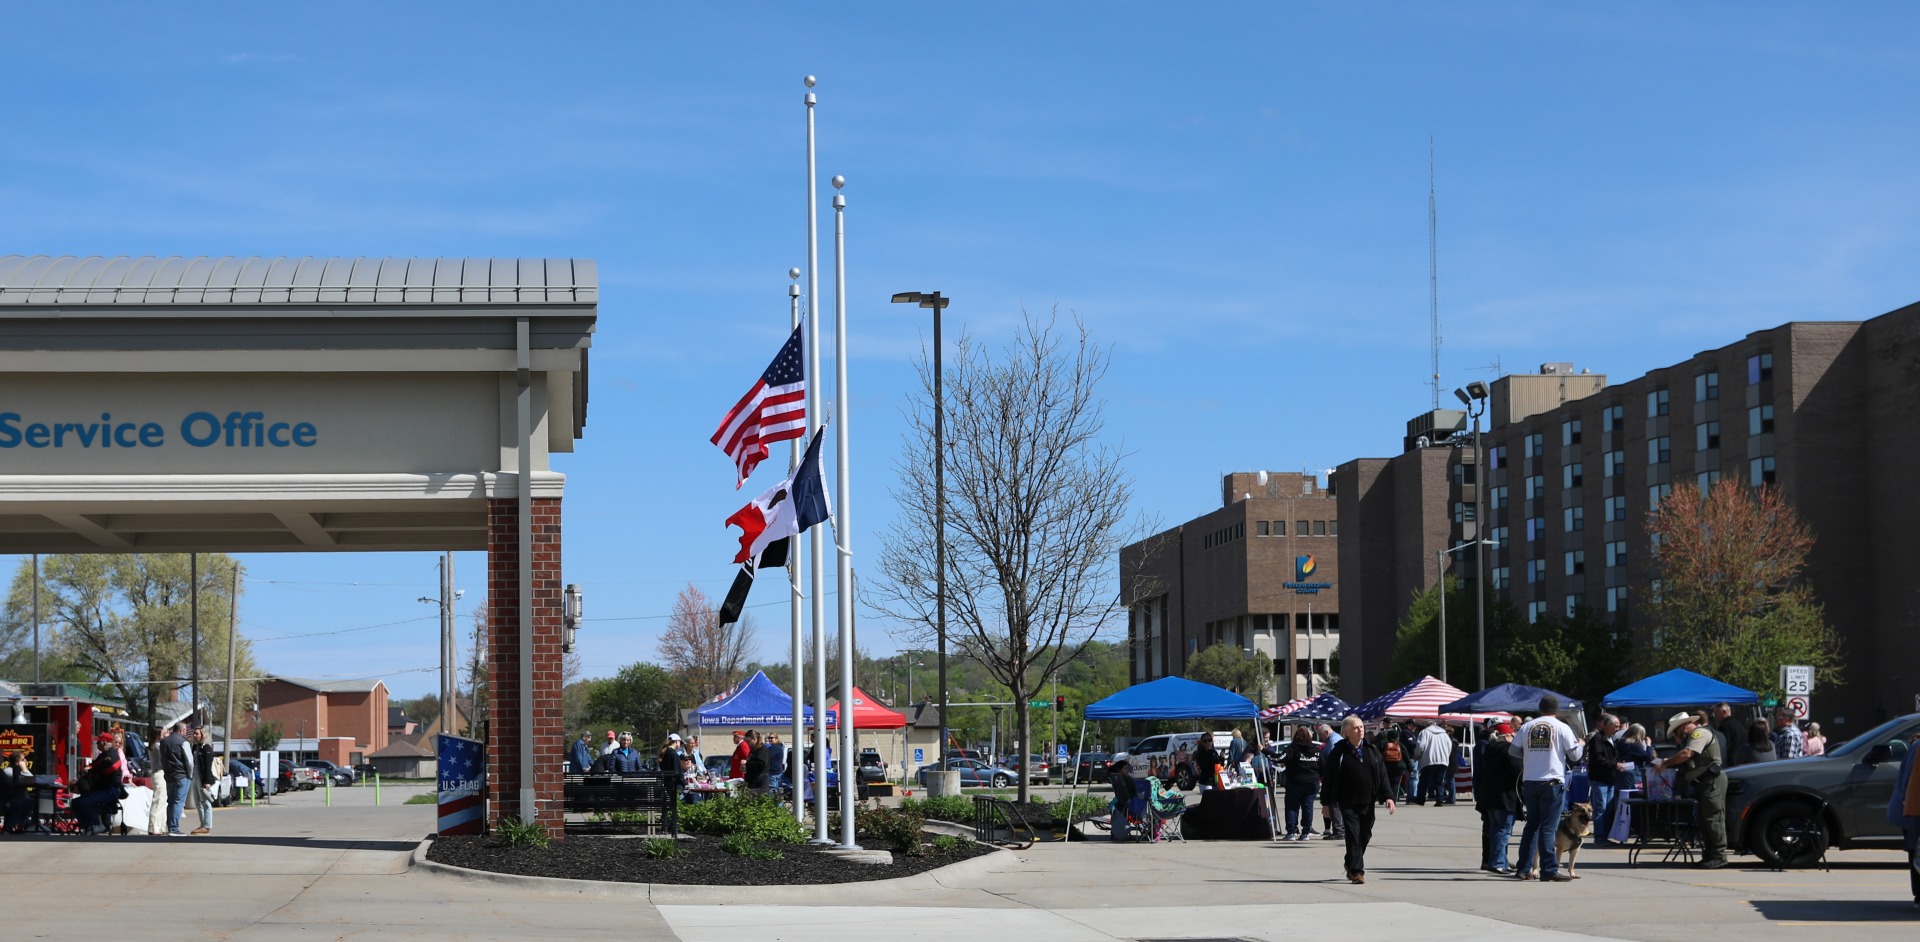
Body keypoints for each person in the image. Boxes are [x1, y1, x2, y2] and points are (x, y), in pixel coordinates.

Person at [1511, 694, 1583, 881]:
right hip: (1552, 781)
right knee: (1548, 827)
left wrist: (1531, 757)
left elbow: (1513, 750)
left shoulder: (1527, 726)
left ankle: (1523, 868)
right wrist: (1581, 745)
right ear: (1556, 710)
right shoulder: (1561, 727)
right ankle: (1549, 870)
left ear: (1540, 709)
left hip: (1530, 780)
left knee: (1531, 825)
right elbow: (1575, 756)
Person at [1324, 715, 1394, 884]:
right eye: (1356, 728)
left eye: (1361, 727)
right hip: (1347, 802)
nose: (1360, 730)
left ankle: (1350, 861)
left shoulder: (1372, 750)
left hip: (1368, 801)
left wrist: (1388, 797)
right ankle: (1357, 872)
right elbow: (1329, 778)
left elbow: (1382, 775)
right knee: (1353, 835)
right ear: (1346, 732)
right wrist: (1326, 803)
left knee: (1365, 835)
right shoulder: (1339, 752)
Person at [1656, 711, 1729, 869]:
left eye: (1677, 732)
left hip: (1711, 782)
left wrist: (1665, 763)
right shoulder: (1692, 737)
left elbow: (1687, 753)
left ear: (1683, 727)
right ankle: (1709, 855)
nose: (1678, 736)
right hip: (1703, 783)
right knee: (1704, 821)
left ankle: (1719, 855)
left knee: (1713, 819)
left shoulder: (1699, 733)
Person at [1474, 723, 1521, 874]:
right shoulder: (1508, 750)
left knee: (1495, 830)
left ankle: (1497, 860)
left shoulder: (1489, 749)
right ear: (1506, 736)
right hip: (1504, 796)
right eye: (1512, 735)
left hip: (1490, 796)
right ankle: (1498, 862)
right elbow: (1517, 770)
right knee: (1504, 830)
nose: (1514, 738)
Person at [1885, 728, 1919, 911]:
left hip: (1913, 809)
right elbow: (1908, 785)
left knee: (1916, 852)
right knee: (1916, 852)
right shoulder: (1918, 747)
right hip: (1914, 810)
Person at [71, 733, 125, 835]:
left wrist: (90, 771)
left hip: (110, 790)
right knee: (76, 802)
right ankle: (87, 826)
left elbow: (104, 771)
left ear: (103, 742)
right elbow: (94, 765)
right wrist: (88, 769)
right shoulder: (103, 755)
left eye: (98, 742)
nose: (97, 744)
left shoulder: (111, 756)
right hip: (101, 789)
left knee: (84, 803)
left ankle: (97, 824)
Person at [1586, 714, 1624, 848]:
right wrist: (1615, 764)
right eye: (1615, 726)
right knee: (1600, 809)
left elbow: (1611, 757)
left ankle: (1606, 836)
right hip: (1600, 779)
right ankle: (1600, 838)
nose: (1617, 729)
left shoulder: (1611, 739)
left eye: (1618, 726)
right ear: (1607, 726)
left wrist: (1618, 763)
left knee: (1608, 809)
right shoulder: (1597, 739)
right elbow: (1597, 759)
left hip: (1610, 779)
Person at [1279, 726, 1321, 841]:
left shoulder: (1292, 748)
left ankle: (1291, 832)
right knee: (1308, 806)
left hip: (1295, 781)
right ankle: (1306, 832)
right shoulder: (1316, 749)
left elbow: (1279, 758)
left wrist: (1265, 751)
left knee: (1292, 806)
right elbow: (1322, 765)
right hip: (1312, 782)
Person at [159, 721, 191, 837]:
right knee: (178, 802)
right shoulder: (183, 742)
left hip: (169, 775)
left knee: (171, 802)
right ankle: (174, 828)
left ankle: (170, 827)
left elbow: (162, 759)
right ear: (181, 731)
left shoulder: (164, 742)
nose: (185, 733)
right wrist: (190, 774)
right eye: (185, 731)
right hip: (182, 775)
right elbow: (189, 761)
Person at [1317, 724, 1344, 840]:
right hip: (1336, 776)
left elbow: (1333, 760)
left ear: (1326, 733)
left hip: (1335, 777)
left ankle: (1339, 830)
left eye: (1321, 736)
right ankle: (1340, 829)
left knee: (1334, 803)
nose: (1321, 739)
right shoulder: (1336, 739)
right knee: (1335, 803)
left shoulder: (1333, 741)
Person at [1416, 721, 1451, 806]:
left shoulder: (1424, 732)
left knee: (1424, 780)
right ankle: (1440, 800)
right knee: (1439, 781)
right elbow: (1449, 746)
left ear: (1426, 726)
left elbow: (1421, 745)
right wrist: (1446, 756)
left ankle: (1421, 799)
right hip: (1442, 760)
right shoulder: (1444, 734)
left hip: (1428, 759)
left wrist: (1417, 754)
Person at [191, 727, 218, 835]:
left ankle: (207, 826)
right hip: (195, 777)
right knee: (197, 802)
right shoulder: (195, 747)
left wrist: (207, 781)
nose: (195, 735)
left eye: (197, 734)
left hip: (203, 778)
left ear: (203, 735)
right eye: (194, 733)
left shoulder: (206, 748)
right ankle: (202, 824)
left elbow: (207, 766)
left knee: (205, 802)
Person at [1618, 723, 1655, 792]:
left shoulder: (1620, 742)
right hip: (1633, 774)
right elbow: (1647, 757)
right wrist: (1648, 745)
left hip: (1622, 774)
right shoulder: (1633, 745)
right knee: (1634, 794)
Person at [1, 751, 33, 833]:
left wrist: (24, 770)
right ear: (17, 762)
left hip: (18, 798)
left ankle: (21, 824)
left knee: (30, 802)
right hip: (8, 800)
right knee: (22, 802)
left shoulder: (19, 771)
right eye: (23, 759)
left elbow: (32, 780)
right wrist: (24, 769)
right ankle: (11, 826)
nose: (25, 761)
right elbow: (30, 780)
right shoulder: (8, 771)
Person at [1711, 703, 1744, 769]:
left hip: (1731, 763)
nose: (1715, 716)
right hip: (1741, 760)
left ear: (1724, 712)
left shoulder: (1725, 726)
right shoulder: (1738, 724)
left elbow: (1724, 746)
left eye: (1716, 713)